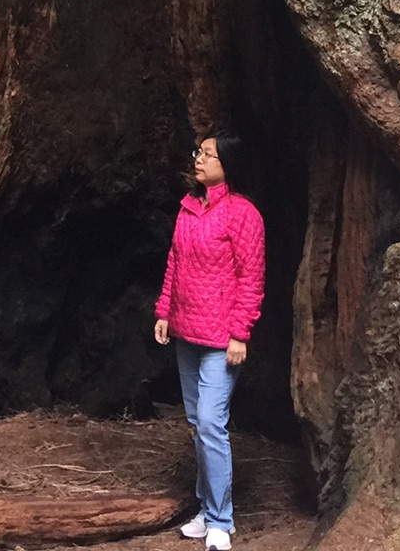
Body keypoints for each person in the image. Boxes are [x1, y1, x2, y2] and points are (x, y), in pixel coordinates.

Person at [153, 133, 265, 551]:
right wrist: (164, 310)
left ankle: (221, 519)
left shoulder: (243, 215)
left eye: (207, 154)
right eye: (197, 151)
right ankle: (206, 509)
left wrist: (240, 333)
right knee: (198, 425)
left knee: (212, 426)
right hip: (186, 332)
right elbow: (175, 262)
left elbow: (250, 279)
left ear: (227, 164)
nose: (198, 159)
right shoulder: (188, 208)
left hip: (221, 340)